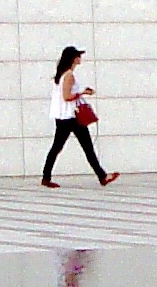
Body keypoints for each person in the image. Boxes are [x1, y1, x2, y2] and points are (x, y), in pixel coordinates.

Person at [43, 43, 115, 187]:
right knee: (85, 147)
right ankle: (102, 176)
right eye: (78, 56)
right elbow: (67, 96)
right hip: (71, 117)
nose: (80, 58)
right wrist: (83, 92)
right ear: (73, 58)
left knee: (58, 147)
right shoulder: (69, 76)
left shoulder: (61, 75)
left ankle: (46, 177)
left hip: (64, 117)